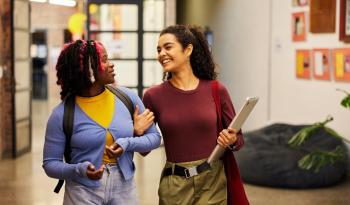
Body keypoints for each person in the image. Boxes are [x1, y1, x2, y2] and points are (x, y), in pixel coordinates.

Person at [140, 25, 249, 205]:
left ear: (188, 49)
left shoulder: (216, 90)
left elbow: (239, 140)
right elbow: (143, 150)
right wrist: (137, 131)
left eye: (168, 47)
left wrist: (231, 140)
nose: (161, 54)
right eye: (158, 49)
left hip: (212, 182)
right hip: (174, 186)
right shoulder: (153, 96)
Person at [42, 39, 161, 205]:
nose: (111, 65)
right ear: (88, 69)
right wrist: (79, 170)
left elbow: (155, 138)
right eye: (104, 60)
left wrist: (128, 142)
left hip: (124, 187)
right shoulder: (62, 114)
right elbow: (50, 164)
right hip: (81, 190)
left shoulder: (127, 98)